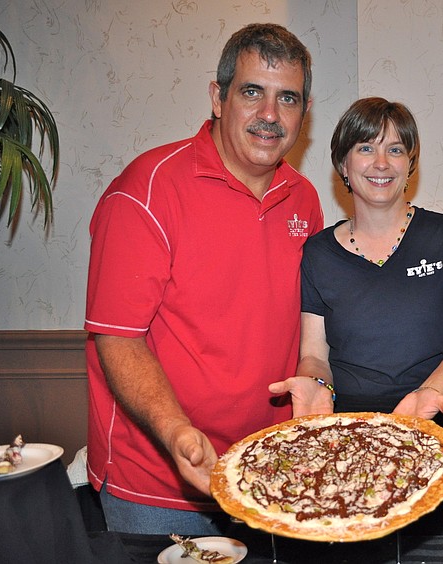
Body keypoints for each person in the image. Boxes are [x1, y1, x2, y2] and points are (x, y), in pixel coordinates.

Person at [83, 23, 323, 535]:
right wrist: (176, 434)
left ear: (304, 114)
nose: (269, 115)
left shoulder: (304, 199)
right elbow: (117, 340)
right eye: (252, 92)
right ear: (219, 97)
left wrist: (315, 380)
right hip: (157, 486)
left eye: (288, 99)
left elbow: (308, 323)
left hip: (266, 478)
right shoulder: (144, 192)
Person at [269, 97, 443, 533]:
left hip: (433, 423)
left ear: (411, 163)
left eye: (395, 148)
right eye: (365, 148)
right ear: (343, 166)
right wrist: (314, 384)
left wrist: (427, 395)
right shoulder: (317, 252)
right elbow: (315, 353)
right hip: (348, 439)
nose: (381, 162)